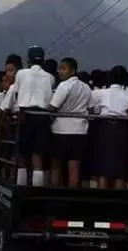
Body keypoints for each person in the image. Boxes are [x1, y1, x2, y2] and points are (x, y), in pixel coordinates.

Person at [14, 46, 54, 186]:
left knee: (23, 156)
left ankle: (21, 189)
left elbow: (17, 94)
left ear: (28, 59)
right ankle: (37, 190)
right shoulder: (50, 77)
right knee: (38, 156)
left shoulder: (21, 74)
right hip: (43, 117)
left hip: (26, 115)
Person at [48, 57, 91, 188]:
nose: (60, 71)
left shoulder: (64, 86)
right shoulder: (86, 87)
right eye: (59, 68)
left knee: (56, 164)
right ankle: (72, 195)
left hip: (61, 130)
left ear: (72, 71)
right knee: (74, 164)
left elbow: (53, 107)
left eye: (63, 69)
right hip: (80, 131)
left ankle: (54, 192)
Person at [92, 65, 128, 189]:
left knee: (103, 165)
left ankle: (102, 199)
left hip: (105, 128)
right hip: (122, 129)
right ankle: (118, 200)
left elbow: (94, 109)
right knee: (119, 167)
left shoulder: (100, 93)